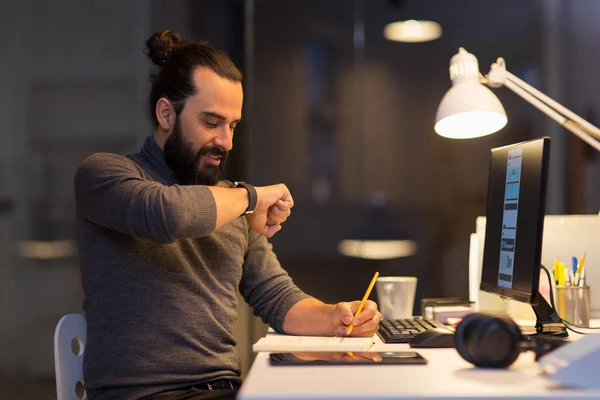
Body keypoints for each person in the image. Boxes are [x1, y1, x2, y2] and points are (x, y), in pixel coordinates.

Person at [74, 30, 382, 400]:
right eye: (211, 122)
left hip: (225, 389)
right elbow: (166, 215)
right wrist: (251, 197)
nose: (226, 141)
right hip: (142, 394)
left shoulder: (233, 202)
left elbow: (276, 296)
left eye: (232, 125)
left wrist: (335, 318)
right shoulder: (104, 175)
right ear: (166, 113)